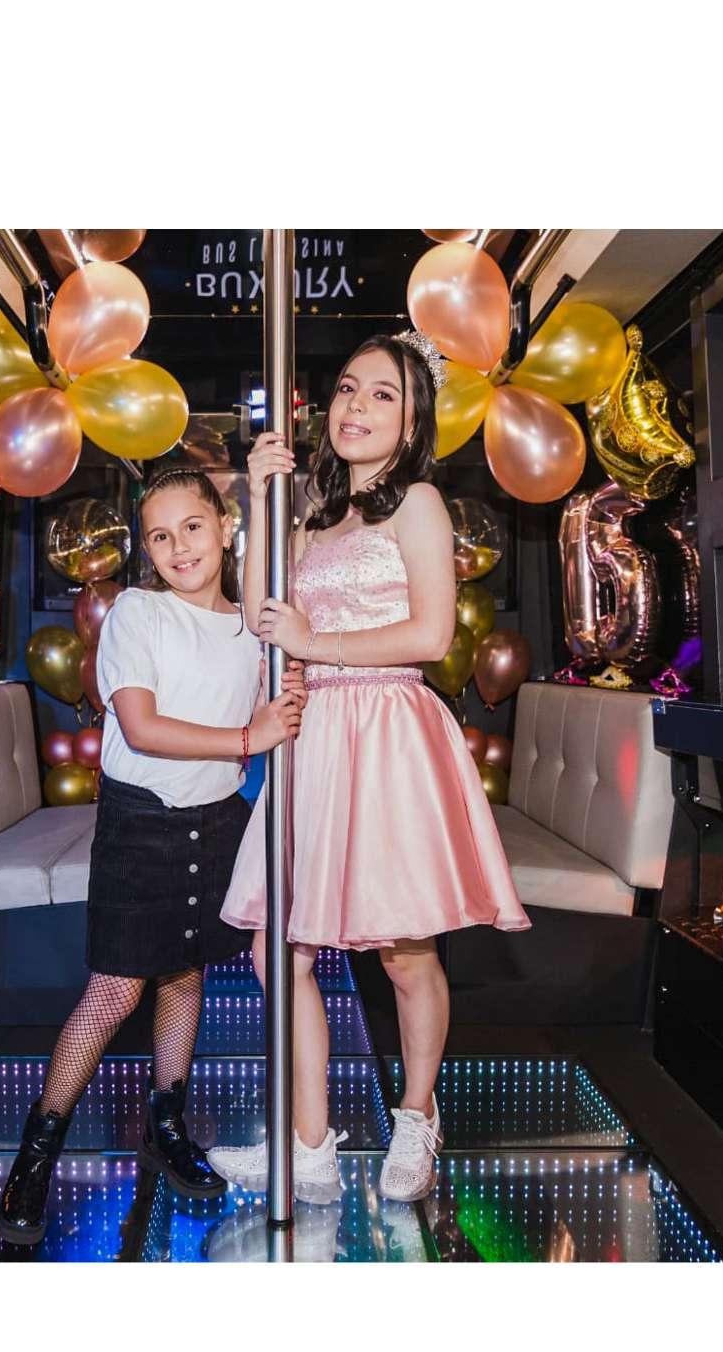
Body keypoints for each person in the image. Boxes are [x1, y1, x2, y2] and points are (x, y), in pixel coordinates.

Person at [210, 330, 529, 1206]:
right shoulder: (313, 511)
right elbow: (258, 609)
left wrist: (316, 643)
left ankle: (417, 1117)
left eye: (382, 394)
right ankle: (309, 1145)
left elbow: (431, 633)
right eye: (348, 388)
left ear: (413, 419)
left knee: (403, 950)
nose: (355, 406)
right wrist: (258, 497)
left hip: (386, 729)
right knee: (278, 948)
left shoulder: (417, 501)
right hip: (313, 735)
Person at [0, 469, 306, 1246]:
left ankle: (166, 1126)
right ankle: (35, 1155)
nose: (179, 547)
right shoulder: (138, 611)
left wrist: (283, 699)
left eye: (193, 527)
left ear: (225, 526)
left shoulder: (253, 627)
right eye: (160, 536)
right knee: (113, 990)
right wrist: (250, 736)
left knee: (184, 976)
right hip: (141, 822)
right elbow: (141, 727)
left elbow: (265, 705)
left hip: (218, 819)